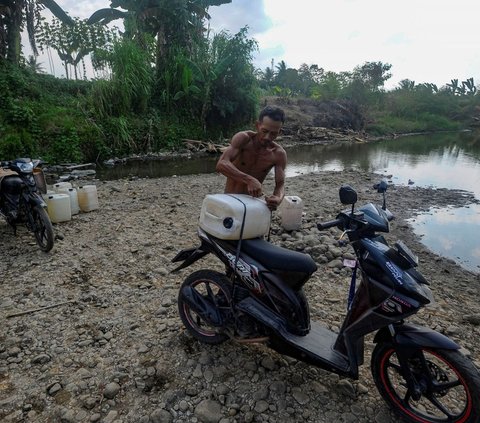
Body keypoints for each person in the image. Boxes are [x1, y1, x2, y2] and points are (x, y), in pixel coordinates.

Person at [216, 106, 287, 211]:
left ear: (279, 132)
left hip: (252, 204)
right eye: (264, 131)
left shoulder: (278, 154)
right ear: (257, 125)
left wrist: (278, 198)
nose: (267, 137)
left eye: (273, 133)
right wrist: (249, 180)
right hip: (229, 199)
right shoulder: (243, 139)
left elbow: (280, 185)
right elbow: (221, 164)